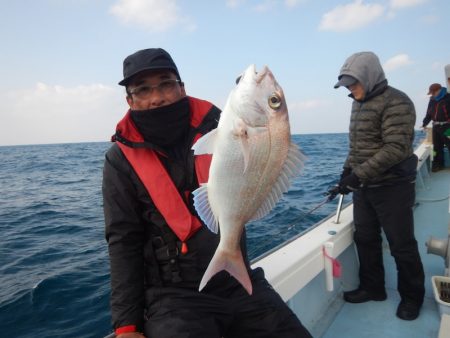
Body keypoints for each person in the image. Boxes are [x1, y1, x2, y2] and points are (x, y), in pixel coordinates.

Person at [102, 48, 312, 338]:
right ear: (130, 100)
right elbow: (122, 238)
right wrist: (126, 324)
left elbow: (270, 151)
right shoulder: (119, 159)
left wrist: (252, 89)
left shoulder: (218, 124)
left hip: (239, 281)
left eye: (166, 84)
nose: (157, 97)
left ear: (182, 88)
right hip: (174, 297)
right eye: (142, 90)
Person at [332, 51, 425, 321]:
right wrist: (347, 170)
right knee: (365, 239)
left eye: (354, 84)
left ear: (370, 77)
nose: (351, 90)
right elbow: (359, 145)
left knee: (401, 244)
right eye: (348, 86)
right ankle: (373, 288)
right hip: (365, 187)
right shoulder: (358, 102)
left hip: (393, 187)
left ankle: (412, 297)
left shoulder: (398, 102)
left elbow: (395, 148)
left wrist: (357, 174)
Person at [421, 83, 450, 172]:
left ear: (439, 90)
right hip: (436, 127)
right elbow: (429, 113)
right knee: (436, 147)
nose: (432, 95)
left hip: (447, 127)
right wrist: (424, 123)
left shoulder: (448, 97)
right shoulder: (432, 100)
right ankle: (438, 165)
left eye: (433, 93)